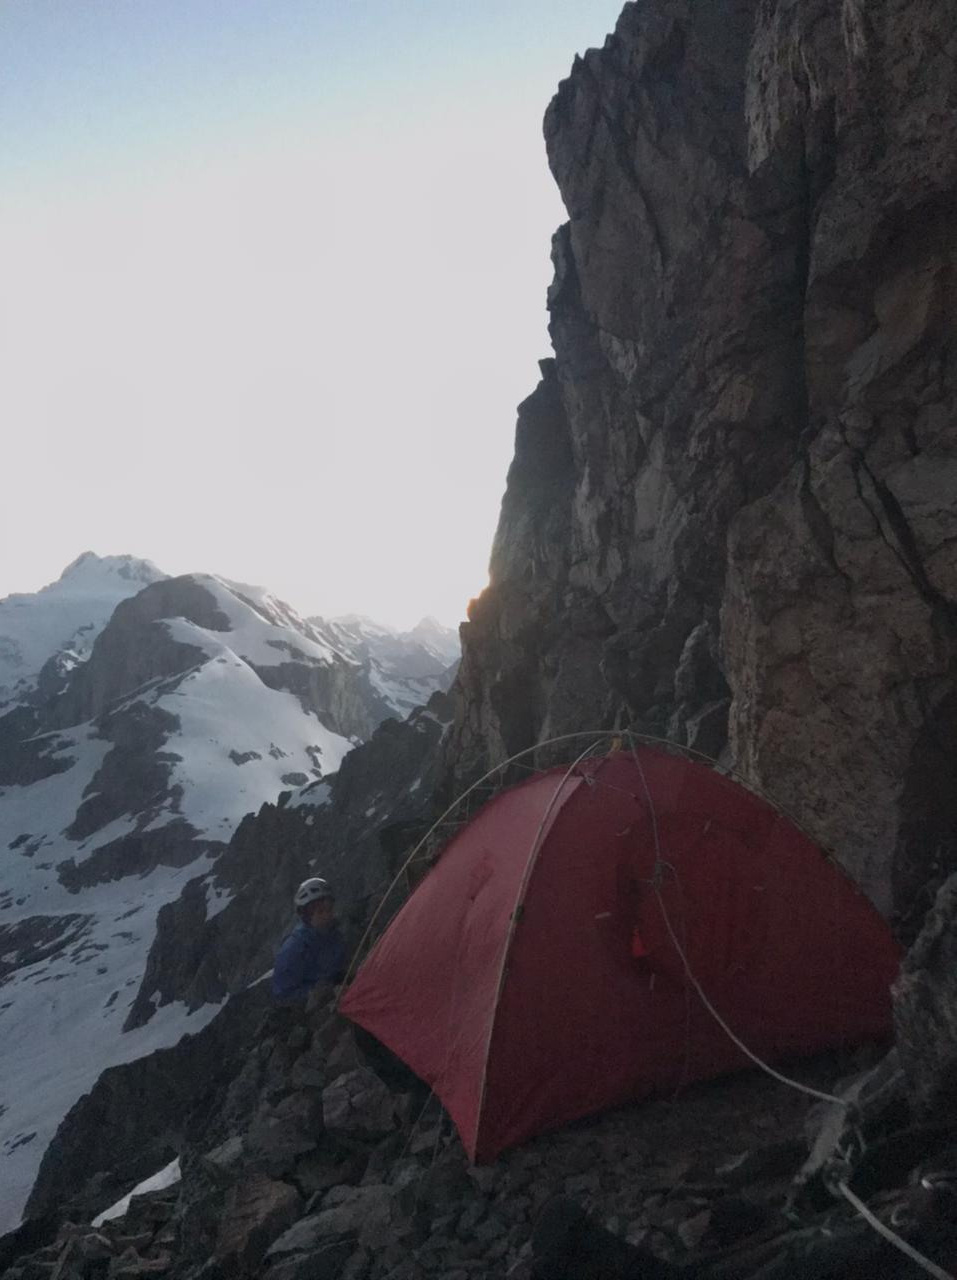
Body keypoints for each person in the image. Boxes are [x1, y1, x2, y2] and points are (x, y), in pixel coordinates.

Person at [271, 877, 346, 1004]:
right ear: (306, 916)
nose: (327, 915)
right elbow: (282, 994)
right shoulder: (294, 949)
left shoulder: (333, 934)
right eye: (320, 912)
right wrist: (317, 993)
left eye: (329, 910)